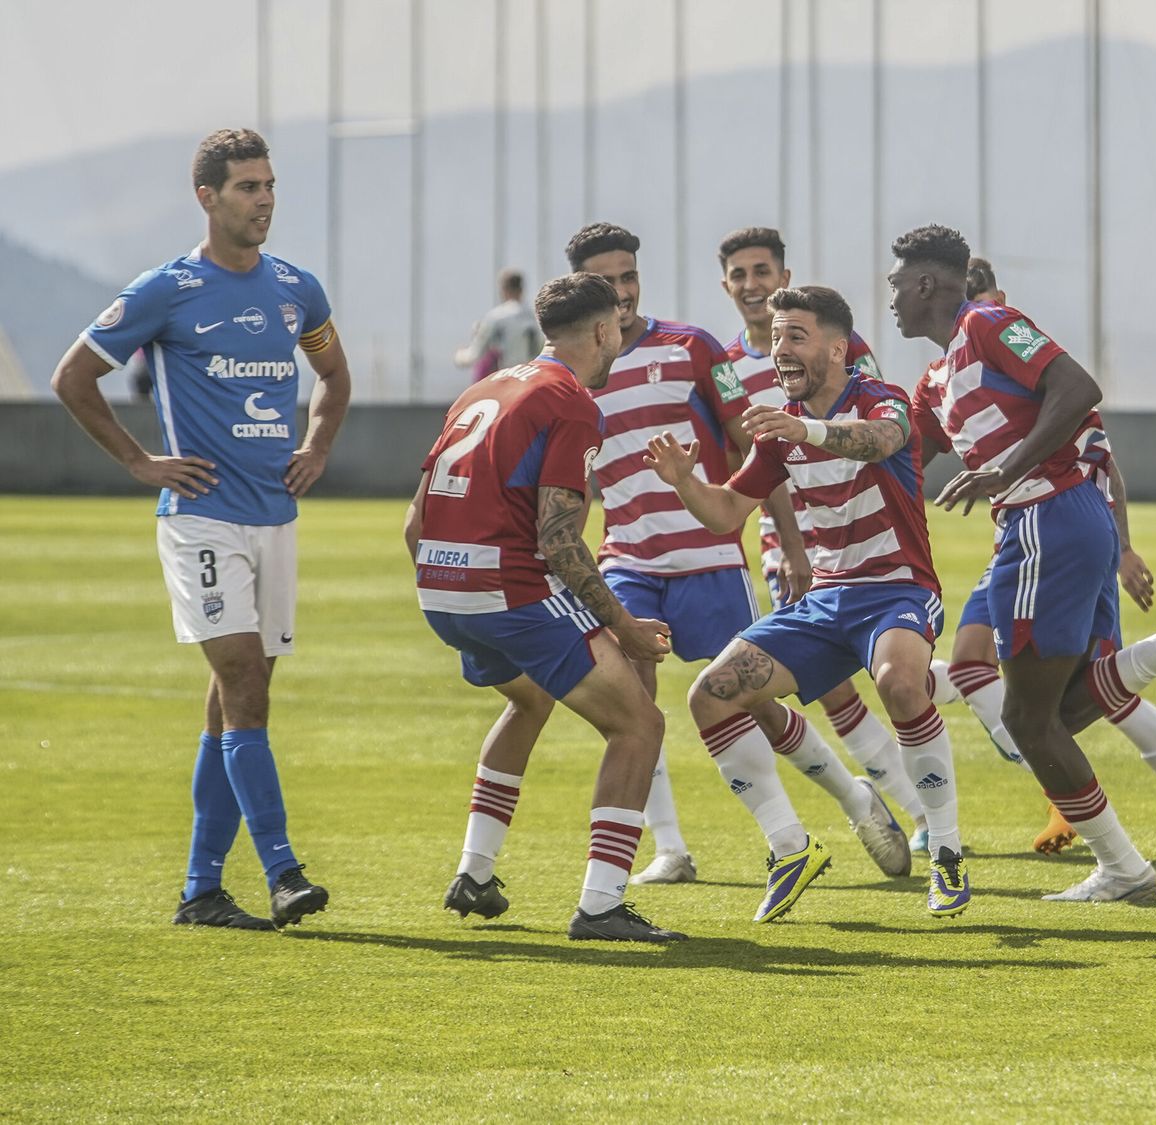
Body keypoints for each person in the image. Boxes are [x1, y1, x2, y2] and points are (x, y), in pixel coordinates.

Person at [51, 128, 351, 930]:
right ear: (207, 197)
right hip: (201, 519)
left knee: (233, 699)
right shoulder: (168, 288)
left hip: (274, 519)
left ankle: (201, 889)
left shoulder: (296, 289)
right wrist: (140, 461)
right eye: (248, 187)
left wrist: (317, 444)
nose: (264, 201)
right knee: (244, 682)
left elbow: (333, 373)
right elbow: (74, 376)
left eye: (270, 185)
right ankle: (285, 872)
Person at [567, 223, 909, 885]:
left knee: (746, 696)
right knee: (632, 706)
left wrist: (791, 542)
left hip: (710, 557)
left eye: (630, 275)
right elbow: (578, 476)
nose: (624, 290)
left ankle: (853, 794)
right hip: (627, 560)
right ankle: (677, 847)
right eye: (609, 280)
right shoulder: (570, 373)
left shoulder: (691, 347)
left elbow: (758, 453)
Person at [892, 224, 1156, 904]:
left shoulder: (987, 325)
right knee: (1048, 713)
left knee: (1030, 723)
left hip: (1047, 519)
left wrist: (1004, 467)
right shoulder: (937, 376)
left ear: (924, 284)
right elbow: (900, 451)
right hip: (1060, 522)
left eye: (896, 284)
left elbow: (1079, 386)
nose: (889, 298)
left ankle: (1124, 871)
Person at [645, 285, 967, 921]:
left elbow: (879, 441)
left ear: (838, 349)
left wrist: (807, 429)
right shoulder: (778, 433)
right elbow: (724, 514)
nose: (779, 349)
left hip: (897, 587)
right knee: (710, 694)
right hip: (826, 600)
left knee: (901, 685)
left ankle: (949, 852)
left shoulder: (883, 399)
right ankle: (789, 845)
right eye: (774, 337)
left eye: (795, 336)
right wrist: (686, 483)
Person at [406, 272, 686, 943]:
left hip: (439, 589)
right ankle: (601, 904)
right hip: (507, 591)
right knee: (639, 723)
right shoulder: (571, 401)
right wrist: (625, 626)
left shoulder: (482, 390)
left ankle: (474, 872)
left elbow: (415, 525)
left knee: (529, 699)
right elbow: (558, 540)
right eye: (618, 325)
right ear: (601, 330)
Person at [717, 225, 929, 844]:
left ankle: (917, 812)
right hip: (785, 534)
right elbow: (755, 465)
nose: (752, 285)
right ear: (725, 284)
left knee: (866, 673)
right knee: (814, 684)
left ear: (782, 278)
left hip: (848, 539)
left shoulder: (837, 346)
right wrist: (786, 543)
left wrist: (807, 545)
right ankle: (874, 800)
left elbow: (866, 431)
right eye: (739, 275)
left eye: (762, 272)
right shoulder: (726, 363)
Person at [454, 269, 543, 383]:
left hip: (508, 379)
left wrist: (459, 357)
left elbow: (475, 354)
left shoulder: (497, 317)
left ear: (503, 290)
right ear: (522, 289)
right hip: (530, 379)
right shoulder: (535, 316)